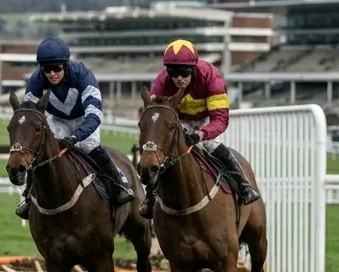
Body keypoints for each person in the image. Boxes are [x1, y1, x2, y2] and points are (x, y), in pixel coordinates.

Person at [14, 37, 135, 220]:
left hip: (84, 119)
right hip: (58, 120)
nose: (52, 74)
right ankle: (28, 198)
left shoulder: (83, 75)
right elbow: (30, 115)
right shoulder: (36, 80)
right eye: (47, 69)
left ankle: (120, 184)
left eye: (57, 68)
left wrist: (76, 137)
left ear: (66, 65)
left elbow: (94, 115)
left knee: (89, 145)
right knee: (43, 152)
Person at [141, 39, 260, 218]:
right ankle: (150, 196)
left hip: (206, 120)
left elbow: (220, 119)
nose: (179, 78)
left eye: (184, 71)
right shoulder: (162, 81)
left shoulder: (211, 77)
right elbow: (156, 116)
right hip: (178, 121)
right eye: (173, 72)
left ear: (194, 68)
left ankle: (243, 185)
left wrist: (201, 134)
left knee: (212, 147)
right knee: (162, 156)